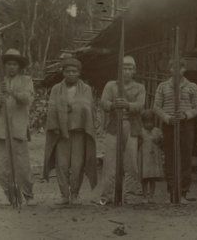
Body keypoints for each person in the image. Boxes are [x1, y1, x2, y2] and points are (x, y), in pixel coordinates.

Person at [43, 57, 98, 205]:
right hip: (61, 132)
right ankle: (64, 195)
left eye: (74, 71)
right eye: (68, 71)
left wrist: (72, 107)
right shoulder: (56, 89)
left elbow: (87, 107)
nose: (71, 74)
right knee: (61, 164)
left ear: (79, 73)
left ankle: (75, 194)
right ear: (63, 72)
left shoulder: (85, 89)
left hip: (79, 131)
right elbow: (52, 108)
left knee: (77, 164)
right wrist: (58, 119)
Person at [96, 56, 146, 205]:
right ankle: (107, 196)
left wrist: (128, 105)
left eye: (130, 68)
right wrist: (113, 104)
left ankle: (130, 195)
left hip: (131, 126)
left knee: (131, 162)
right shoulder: (111, 86)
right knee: (110, 162)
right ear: (119, 70)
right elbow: (103, 102)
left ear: (134, 71)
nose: (127, 71)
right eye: (124, 68)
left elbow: (140, 106)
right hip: (113, 126)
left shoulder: (140, 87)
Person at [0, 49, 36, 206]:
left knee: (22, 164)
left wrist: (11, 92)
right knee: (2, 166)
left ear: (19, 66)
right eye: (8, 64)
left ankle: (28, 195)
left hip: (18, 128)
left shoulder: (26, 80)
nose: (11, 67)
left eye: (14, 64)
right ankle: (12, 197)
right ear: (4, 66)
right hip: (2, 130)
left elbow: (27, 99)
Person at [153, 58, 197, 204]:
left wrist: (186, 115)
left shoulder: (192, 86)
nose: (177, 71)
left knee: (186, 158)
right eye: (173, 68)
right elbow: (156, 107)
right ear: (170, 70)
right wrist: (167, 118)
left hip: (186, 126)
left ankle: (183, 193)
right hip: (169, 126)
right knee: (170, 157)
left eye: (180, 68)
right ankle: (171, 191)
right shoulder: (162, 86)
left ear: (184, 69)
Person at [139, 110, 163, 203]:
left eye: (151, 122)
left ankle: (151, 196)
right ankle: (144, 196)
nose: (149, 124)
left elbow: (161, 142)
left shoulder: (157, 131)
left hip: (153, 159)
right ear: (143, 122)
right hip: (144, 159)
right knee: (145, 179)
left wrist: (159, 140)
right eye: (146, 122)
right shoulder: (141, 132)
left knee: (152, 178)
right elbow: (138, 143)